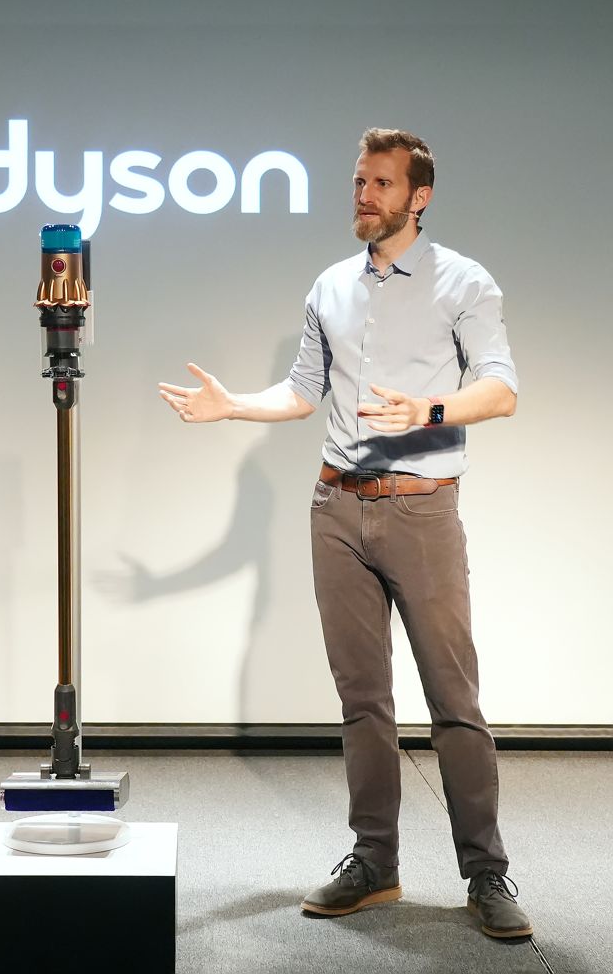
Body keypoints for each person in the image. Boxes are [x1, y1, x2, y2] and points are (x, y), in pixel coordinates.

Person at [157, 128, 532, 940]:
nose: (364, 195)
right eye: (360, 181)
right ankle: (374, 863)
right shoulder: (330, 286)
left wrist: (429, 409)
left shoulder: (463, 281)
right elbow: (302, 391)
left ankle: (486, 873)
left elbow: (501, 389)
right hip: (336, 509)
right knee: (362, 700)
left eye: (381, 184)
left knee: (454, 701)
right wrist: (233, 406)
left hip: (421, 509)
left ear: (418, 198)